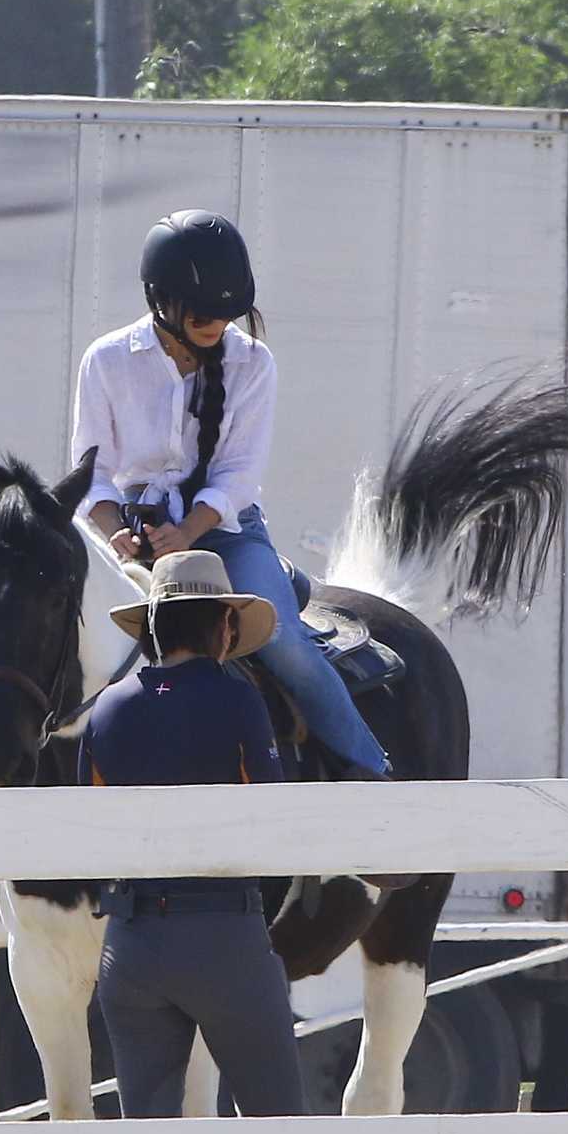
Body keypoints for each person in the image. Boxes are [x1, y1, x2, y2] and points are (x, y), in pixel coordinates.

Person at [78, 549, 333, 1134]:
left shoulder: (108, 710)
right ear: (226, 624)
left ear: (153, 626)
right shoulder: (236, 701)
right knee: (277, 1122)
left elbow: (91, 824)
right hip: (223, 935)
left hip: (132, 945)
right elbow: (269, 815)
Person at [72, 207, 390, 780]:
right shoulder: (106, 361)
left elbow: (238, 476)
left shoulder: (253, 363)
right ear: (160, 301)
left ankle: (372, 776)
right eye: (202, 312)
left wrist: (185, 534)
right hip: (129, 538)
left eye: (226, 311)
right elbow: (92, 471)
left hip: (224, 533)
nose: (218, 323)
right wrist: (114, 528)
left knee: (287, 645)